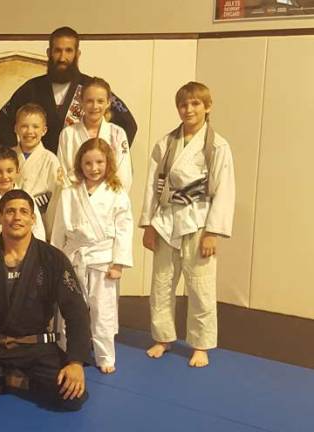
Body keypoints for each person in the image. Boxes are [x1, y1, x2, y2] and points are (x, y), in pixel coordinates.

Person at [0, 189, 93, 411]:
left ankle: (9, 380)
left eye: (24, 212)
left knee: (72, 397)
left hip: (36, 346)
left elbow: (76, 311)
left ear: (33, 219)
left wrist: (76, 363)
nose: (17, 217)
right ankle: (14, 379)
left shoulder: (53, 258)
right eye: (10, 211)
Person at [139, 82, 235, 368]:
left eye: (195, 104)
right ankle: (163, 336)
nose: (189, 109)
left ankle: (201, 344)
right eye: (184, 104)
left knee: (200, 286)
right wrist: (149, 224)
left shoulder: (217, 145)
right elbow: (151, 185)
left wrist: (213, 232)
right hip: (167, 219)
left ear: (208, 106)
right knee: (161, 284)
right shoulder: (166, 143)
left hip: (199, 222)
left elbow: (224, 190)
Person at [51, 138, 133, 374]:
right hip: (74, 256)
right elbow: (59, 228)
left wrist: (119, 263)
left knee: (102, 310)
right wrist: (57, 258)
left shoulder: (117, 193)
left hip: (103, 258)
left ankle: (105, 356)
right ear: (80, 164)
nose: (94, 168)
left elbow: (124, 230)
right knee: (71, 307)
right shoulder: (70, 192)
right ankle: (69, 351)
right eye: (88, 163)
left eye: (99, 162)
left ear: (108, 163)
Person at [0, 27, 136, 154]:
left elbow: (128, 124)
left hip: (80, 174)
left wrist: (106, 159)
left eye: (68, 51)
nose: (62, 58)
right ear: (49, 53)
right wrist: (15, 156)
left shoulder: (90, 88)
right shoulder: (31, 88)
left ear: (77, 54)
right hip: (40, 170)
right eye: (57, 51)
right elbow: (3, 120)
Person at [58, 77, 132, 191]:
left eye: (100, 101)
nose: (95, 106)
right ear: (81, 102)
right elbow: (63, 175)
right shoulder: (68, 134)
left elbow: (124, 175)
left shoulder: (117, 133)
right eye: (89, 101)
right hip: (76, 199)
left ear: (108, 103)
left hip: (109, 200)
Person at [12, 103, 63, 233]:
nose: (29, 131)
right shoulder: (9, 156)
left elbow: (55, 199)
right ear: (16, 128)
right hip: (11, 221)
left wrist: (50, 231)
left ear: (44, 130)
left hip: (39, 224)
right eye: (24, 126)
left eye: (35, 126)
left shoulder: (51, 160)